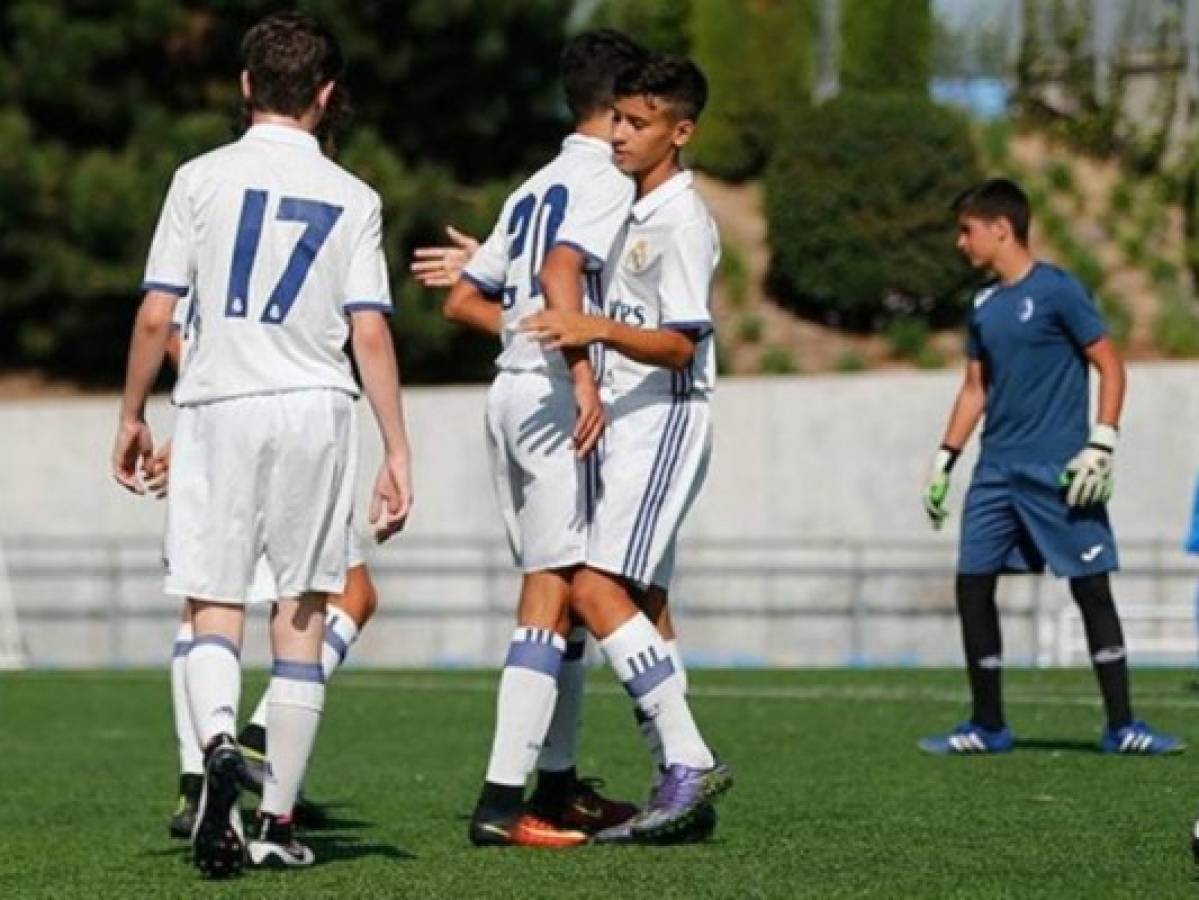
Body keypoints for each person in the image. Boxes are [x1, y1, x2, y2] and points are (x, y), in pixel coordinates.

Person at [112, 11, 412, 876]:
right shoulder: (356, 197)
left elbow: (156, 315)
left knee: (212, 605)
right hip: (317, 408)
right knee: (303, 616)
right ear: (325, 97)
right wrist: (396, 448)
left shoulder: (198, 177)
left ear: (246, 88)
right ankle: (275, 821)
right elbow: (372, 335)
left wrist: (134, 413)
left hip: (218, 401)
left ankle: (212, 746)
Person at [438, 29, 645, 847]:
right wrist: (580, 369)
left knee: (561, 604)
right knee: (552, 590)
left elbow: (462, 301)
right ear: (625, 103)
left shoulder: (532, 185)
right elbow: (561, 283)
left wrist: (526, 338)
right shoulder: (607, 181)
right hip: (558, 397)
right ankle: (498, 803)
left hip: (510, 391)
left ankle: (556, 786)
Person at [521, 52, 730, 843]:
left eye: (638, 123)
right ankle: (676, 778)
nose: (618, 134)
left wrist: (594, 327)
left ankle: (688, 760)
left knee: (591, 591)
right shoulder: (638, 210)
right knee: (640, 603)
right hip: (631, 419)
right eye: (616, 117)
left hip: (665, 417)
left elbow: (681, 346)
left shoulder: (681, 217)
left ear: (680, 133)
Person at [919, 178, 1181, 756]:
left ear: (1001, 229)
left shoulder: (1060, 291)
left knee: (1091, 589)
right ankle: (988, 725)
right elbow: (973, 388)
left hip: (1058, 474)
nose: (961, 242)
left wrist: (1102, 442)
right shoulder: (983, 306)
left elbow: (1110, 366)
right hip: (995, 474)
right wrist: (945, 461)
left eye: (967, 230)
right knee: (972, 587)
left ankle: (1123, 725)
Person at [154, 303, 379, 840]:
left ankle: (202, 779)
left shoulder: (204, 217)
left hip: (227, 418)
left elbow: (167, 324)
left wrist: (199, 420)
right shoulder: (329, 214)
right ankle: (252, 742)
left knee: (207, 601)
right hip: (295, 419)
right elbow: (168, 324)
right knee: (337, 596)